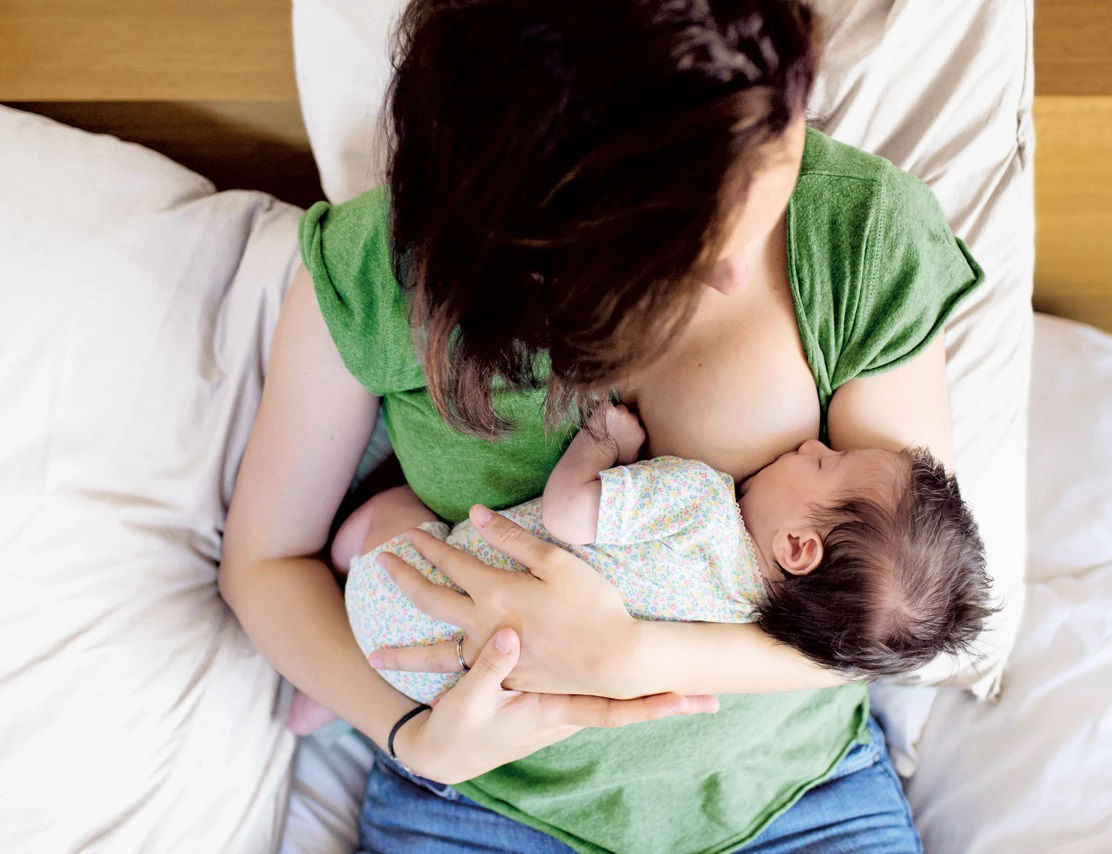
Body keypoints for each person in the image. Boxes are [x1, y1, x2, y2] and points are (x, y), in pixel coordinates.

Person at [219, 0, 988, 850]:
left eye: (776, 146)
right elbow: (264, 565)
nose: (734, 272)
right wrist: (417, 741)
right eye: (678, 239)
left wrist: (628, 656)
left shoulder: (857, 239)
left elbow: (894, 621)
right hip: (481, 806)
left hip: (798, 800)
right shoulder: (386, 273)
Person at [287, 402, 992, 725]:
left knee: (390, 518)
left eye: (825, 462)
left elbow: (568, 512)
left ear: (800, 548)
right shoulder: (737, 624)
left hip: (404, 588)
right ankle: (333, 701)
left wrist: (600, 439)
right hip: (444, 687)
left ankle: (333, 609)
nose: (814, 445)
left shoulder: (698, 503)